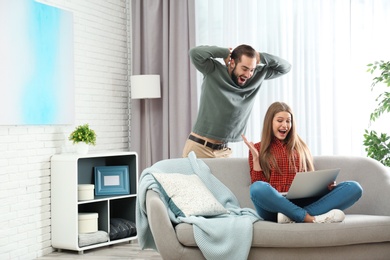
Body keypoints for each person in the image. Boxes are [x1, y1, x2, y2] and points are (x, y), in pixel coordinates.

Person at [242, 101, 363, 223]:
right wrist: (256, 158)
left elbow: (310, 180)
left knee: (354, 187)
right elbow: (259, 185)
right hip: (275, 208)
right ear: (270, 122)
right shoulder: (257, 148)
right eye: (280, 121)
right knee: (257, 188)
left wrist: (326, 188)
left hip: (303, 202)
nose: (285, 125)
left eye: (288, 121)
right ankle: (309, 218)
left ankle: (293, 217)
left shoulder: (301, 147)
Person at [182, 45, 291, 158]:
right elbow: (195, 53)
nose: (248, 74)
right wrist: (224, 52)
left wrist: (260, 57)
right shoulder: (212, 70)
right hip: (199, 148)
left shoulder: (256, 76)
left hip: (223, 151)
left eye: (252, 69)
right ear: (232, 63)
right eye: (244, 69)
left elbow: (286, 67)